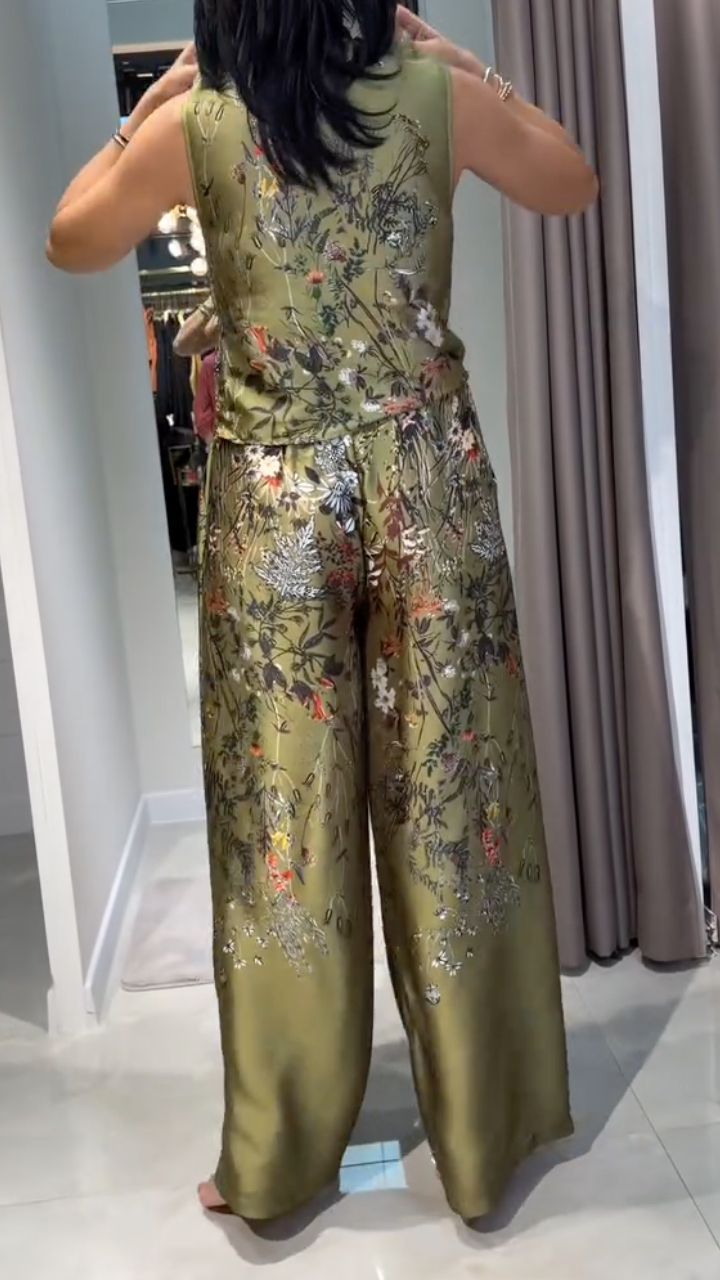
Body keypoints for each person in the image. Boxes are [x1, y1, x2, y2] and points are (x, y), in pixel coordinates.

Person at [47, 2, 597, 1224]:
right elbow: (572, 180)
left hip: (275, 510)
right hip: (427, 487)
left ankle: (281, 1150)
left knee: (281, 829)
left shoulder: (199, 123)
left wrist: (147, 107)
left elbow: (69, 236)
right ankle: (484, 1130)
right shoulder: (432, 97)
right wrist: (469, 64)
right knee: (453, 803)